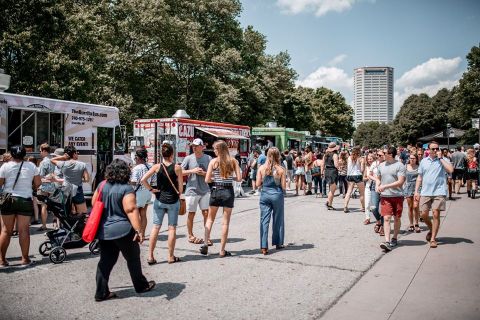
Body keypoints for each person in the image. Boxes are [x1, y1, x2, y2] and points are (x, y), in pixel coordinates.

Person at [93, 159, 155, 301]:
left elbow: (94, 203)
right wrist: (139, 231)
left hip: (104, 231)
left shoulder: (102, 185)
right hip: (123, 230)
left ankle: (101, 292)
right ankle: (141, 286)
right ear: (126, 172)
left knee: (105, 261)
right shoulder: (126, 188)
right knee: (133, 258)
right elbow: (131, 210)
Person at [141, 143, 183, 264]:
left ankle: (150, 256)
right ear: (172, 154)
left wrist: (151, 189)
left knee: (156, 227)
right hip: (173, 201)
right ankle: (170, 256)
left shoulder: (156, 167)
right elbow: (180, 189)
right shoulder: (177, 168)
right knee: (172, 228)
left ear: (162, 155)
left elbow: (143, 179)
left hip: (159, 200)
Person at [0, 146, 41, 267]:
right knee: (24, 230)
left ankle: (2, 260)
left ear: (11, 154)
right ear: (24, 155)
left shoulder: (5, 166)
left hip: (8, 198)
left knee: (6, 231)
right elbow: (38, 183)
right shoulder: (32, 166)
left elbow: (0, 183)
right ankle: (25, 259)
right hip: (25, 198)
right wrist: (30, 188)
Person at [200, 140, 241, 257]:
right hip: (228, 191)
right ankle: (222, 250)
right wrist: (229, 178)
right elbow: (239, 178)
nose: (214, 151)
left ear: (220, 150)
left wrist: (215, 178)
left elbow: (207, 180)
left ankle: (205, 244)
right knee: (225, 223)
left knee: (210, 219)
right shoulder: (233, 161)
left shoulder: (213, 162)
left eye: (215, 149)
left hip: (216, 190)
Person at [414, 141, 454, 248]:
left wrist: (441, 158)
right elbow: (420, 177)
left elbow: (451, 170)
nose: (435, 150)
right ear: (429, 150)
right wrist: (416, 191)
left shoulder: (443, 160)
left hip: (439, 192)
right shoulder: (423, 161)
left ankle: (433, 239)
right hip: (425, 192)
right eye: (433, 149)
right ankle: (432, 228)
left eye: (437, 148)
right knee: (423, 214)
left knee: (436, 213)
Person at [181, 138, 212, 245]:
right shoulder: (188, 158)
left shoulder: (208, 158)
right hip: (191, 190)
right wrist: (192, 171)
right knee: (191, 214)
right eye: (192, 146)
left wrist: (203, 173)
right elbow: (179, 171)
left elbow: (212, 175)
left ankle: (207, 237)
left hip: (205, 190)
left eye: (196, 146)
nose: (193, 147)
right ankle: (190, 235)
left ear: (202, 147)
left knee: (206, 213)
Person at [376, 146, 406, 252]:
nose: (382, 155)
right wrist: (377, 185)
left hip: (397, 195)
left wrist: (385, 186)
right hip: (385, 197)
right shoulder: (381, 165)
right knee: (387, 218)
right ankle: (387, 241)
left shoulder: (400, 165)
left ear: (390, 154)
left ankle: (395, 237)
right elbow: (378, 178)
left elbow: (400, 182)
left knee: (397, 218)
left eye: (384, 153)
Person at [256, 147, 286, 255]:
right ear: (278, 156)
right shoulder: (281, 169)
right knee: (278, 219)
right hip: (277, 194)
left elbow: (257, 184)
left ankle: (264, 246)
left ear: (267, 155)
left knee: (264, 220)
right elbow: (283, 186)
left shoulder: (262, 168)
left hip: (265, 194)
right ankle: (278, 242)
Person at [51, 145, 89, 215]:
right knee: (83, 213)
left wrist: (63, 157)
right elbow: (87, 179)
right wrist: (80, 179)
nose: (77, 154)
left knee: (65, 213)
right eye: (77, 153)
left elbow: (52, 160)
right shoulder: (82, 165)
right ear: (74, 154)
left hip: (66, 190)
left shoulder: (62, 164)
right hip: (78, 189)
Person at [129, 148, 152, 237]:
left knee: (135, 214)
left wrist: (127, 180)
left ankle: (137, 234)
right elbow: (153, 181)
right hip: (147, 192)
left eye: (135, 158)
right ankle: (143, 234)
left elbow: (134, 181)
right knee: (143, 214)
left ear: (138, 157)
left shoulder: (137, 168)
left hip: (138, 193)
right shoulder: (150, 166)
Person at [37, 143, 56, 231]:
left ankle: (44, 225)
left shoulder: (43, 162)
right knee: (54, 206)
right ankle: (56, 225)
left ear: (44, 151)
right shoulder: (53, 160)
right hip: (53, 186)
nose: (40, 153)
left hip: (44, 186)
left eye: (40, 151)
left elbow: (40, 176)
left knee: (44, 206)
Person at [344, 147, 365, 213]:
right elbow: (362, 169)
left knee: (349, 192)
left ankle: (345, 206)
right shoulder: (361, 159)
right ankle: (363, 207)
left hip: (350, 175)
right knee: (362, 193)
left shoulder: (349, 158)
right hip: (358, 175)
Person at [404, 153, 421, 233]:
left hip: (417, 188)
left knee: (416, 206)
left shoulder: (419, 167)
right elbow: (403, 178)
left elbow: (421, 178)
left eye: (414, 158)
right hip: (408, 187)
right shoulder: (405, 167)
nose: (412, 159)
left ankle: (416, 223)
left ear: (416, 159)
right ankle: (411, 224)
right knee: (410, 207)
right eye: (411, 158)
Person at [323, 143, 339, 210]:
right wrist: (339, 166)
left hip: (327, 171)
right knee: (332, 190)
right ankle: (328, 203)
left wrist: (322, 172)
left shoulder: (325, 155)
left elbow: (322, 164)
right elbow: (336, 165)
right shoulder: (335, 155)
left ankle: (329, 203)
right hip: (333, 171)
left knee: (331, 188)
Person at [27, 156, 41, 226]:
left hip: (29, 188)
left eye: (28, 160)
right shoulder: (37, 168)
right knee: (35, 204)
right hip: (35, 187)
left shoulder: (29, 168)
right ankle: (36, 219)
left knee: (29, 205)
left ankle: (28, 221)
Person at [363, 153, 375, 225]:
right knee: (367, 204)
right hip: (368, 187)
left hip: (375, 187)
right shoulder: (367, 167)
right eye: (368, 159)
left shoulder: (377, 167)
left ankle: (378, 219)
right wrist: (367, 178)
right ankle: (367, 218)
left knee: (374, 205)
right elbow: (363, 178)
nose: (369, 160)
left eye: (371, 159)